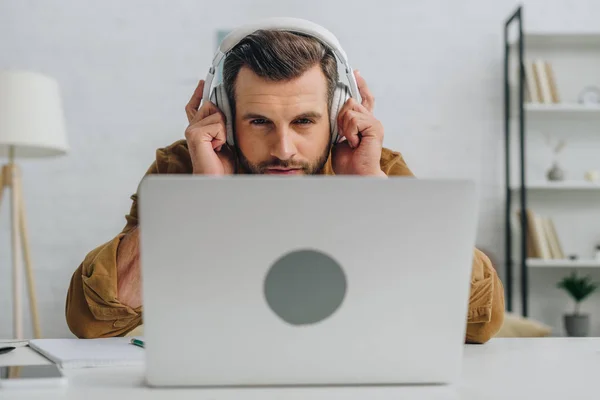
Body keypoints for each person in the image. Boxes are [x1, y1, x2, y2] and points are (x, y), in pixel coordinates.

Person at [65, 28, 504, 343]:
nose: (284, 148)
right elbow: (92, 318)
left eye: (304, 121)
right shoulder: (185, 170)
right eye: (259, 122)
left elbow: (478, 320)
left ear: (336, 115)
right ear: (224, 116)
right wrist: (200, 200)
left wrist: (374, 188)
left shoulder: (373, 170)